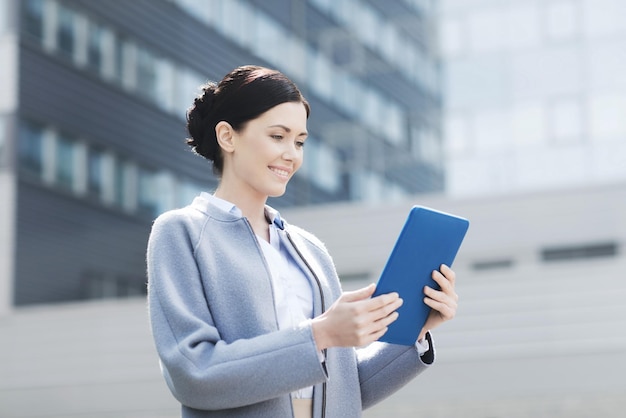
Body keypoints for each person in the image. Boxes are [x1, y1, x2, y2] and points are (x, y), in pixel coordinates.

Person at [147, 65, 459, 418]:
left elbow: (345, 391)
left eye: (299, 142)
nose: (292, 155)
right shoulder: (181, 232)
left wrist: (415, 331)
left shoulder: (309, 250)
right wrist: (321, 334)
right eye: (278, 137)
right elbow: (193, 373)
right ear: (227, 136)